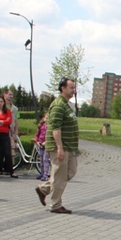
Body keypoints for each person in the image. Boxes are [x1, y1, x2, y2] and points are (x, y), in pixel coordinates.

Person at [35, 78, 79, 214]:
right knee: (60, 175)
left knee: (70, 172)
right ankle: (55, 204)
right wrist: (59, 147)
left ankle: (44, 189)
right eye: (71, 88)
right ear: (63, 89)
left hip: (69, 146)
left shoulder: (66, 104)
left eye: (74, 88)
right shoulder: (58, 105)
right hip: (60, 147)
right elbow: (55, 128)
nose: (74, 90)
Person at [3, 88, 19, 165]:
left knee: (12, 148)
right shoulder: (1, 107)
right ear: (4, 95)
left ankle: (11, 167)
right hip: (2, 130)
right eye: (9, 94)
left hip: (11, 131)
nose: (11, 96)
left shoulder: (15, 109)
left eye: (12, 95)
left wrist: (16, 132)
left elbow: (16, 121)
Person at [34, 114, 49, 181]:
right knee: (41, 160)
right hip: (40, 145)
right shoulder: (41, 126)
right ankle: (42, 173)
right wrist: (37, 142)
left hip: (47, 145)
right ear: (43, 119)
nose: (47, 120)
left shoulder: (50, 128)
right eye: (46, 118)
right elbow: (37, 135)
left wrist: (45, 143)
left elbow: (50, 137)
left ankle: (45, 175)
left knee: (45, 160)